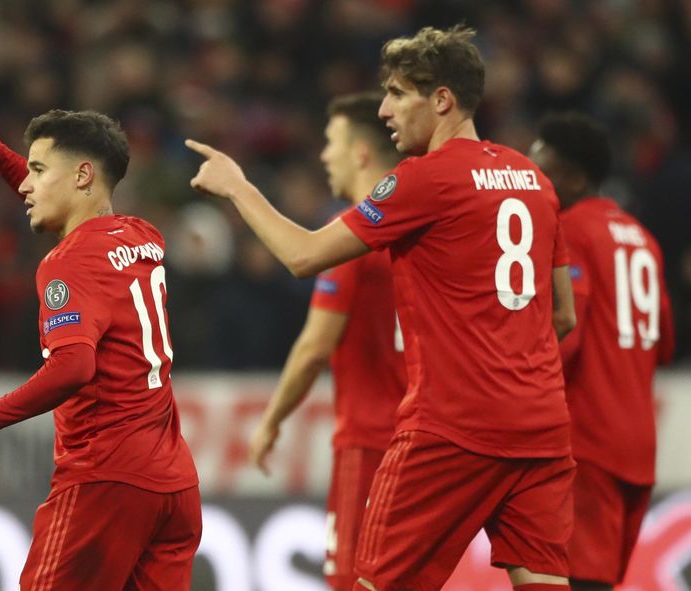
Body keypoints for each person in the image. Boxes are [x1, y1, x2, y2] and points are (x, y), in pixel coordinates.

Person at [187, 26, 577, 591]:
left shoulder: (425, 178)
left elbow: (304, 256)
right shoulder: (533, 179)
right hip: (542, 427)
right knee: (543, 583)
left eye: (397, 93)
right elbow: (561, 315)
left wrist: (238, 188)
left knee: (373, 583)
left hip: (451, 429)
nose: (387, 109)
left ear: (441, 100)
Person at [0, 67, 201, 591]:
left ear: (82, 175)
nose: (27, 185)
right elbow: (59, 200)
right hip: (173, 487)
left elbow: (73, 366)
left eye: (38, 170)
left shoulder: (69, 262)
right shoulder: (141, 236)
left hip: (104, 480)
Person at [247, 92, 407, 591]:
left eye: (331, 142)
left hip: (368, 439)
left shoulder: (350, 237)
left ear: (361, 152)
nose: (323, 155)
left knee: (350, 581)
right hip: (425, 443)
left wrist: (271, 421)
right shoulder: (425, 229)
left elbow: (315, 347)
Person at [529, 112, 675, 591]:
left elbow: (565, 337)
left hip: (586, 443)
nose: (530, 181)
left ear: (570, 176)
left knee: (577, 582)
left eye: (539, 169)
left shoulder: (570, 230)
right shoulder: (644, 239)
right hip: (638, 446)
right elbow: (665, 343)